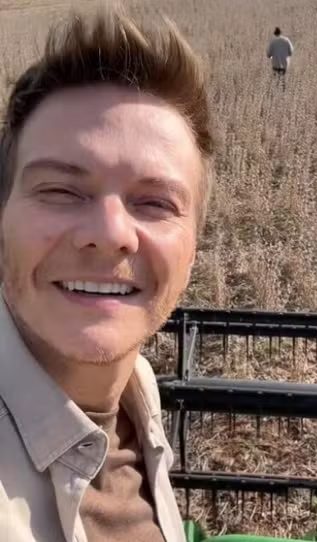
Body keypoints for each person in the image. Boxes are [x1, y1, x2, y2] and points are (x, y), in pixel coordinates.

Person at [0, 6, 214, 541]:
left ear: (194, 249)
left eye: (155, 203)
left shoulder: (136, 395)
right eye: (61, 191)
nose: (111, 232)